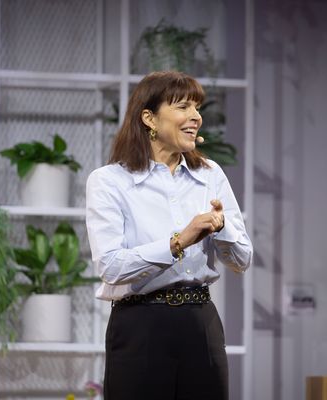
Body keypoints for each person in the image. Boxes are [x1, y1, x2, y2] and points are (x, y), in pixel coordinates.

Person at [86, 71, 253, 400]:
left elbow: (242, 260)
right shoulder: (109, 181)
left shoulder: (210, 175)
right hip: (140, 326)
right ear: (149, 118)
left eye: (197, 108)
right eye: (183, 107)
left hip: (200, 322)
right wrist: (178, 242)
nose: (196, 117)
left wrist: (222, 228)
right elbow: (110, 266)